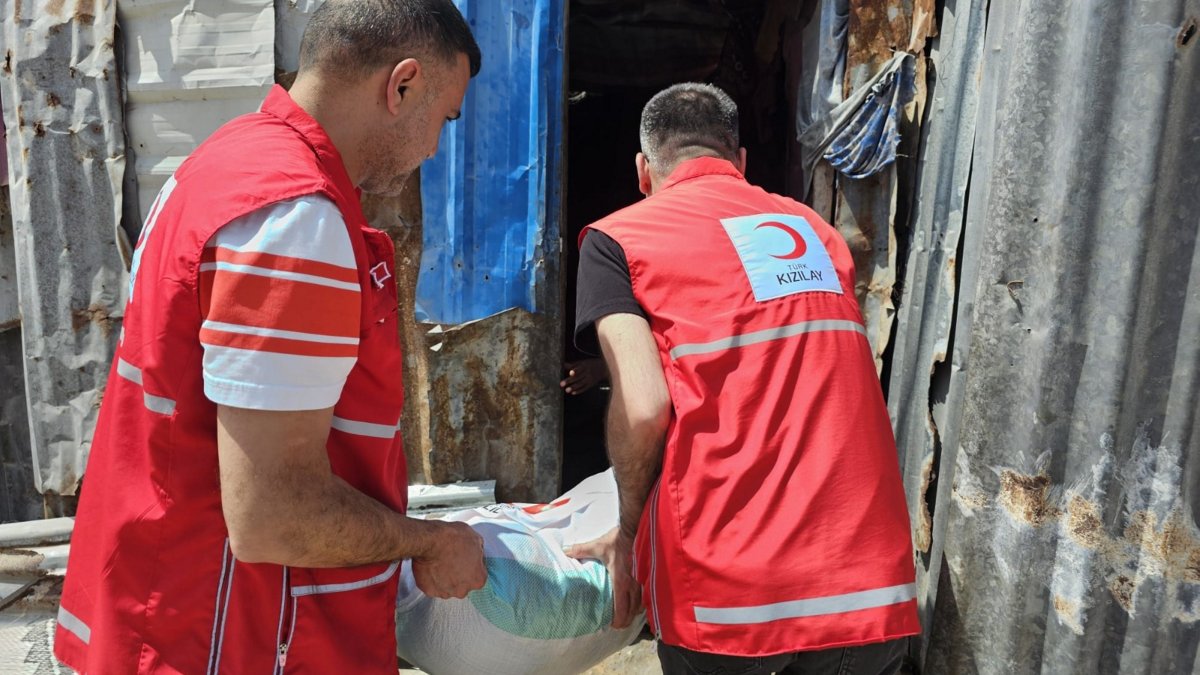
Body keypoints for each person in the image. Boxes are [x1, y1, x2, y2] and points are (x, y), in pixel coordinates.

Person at [53, 2, 486, 672]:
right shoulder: (293, 221)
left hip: (163, 616)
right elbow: (273, 513)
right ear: (400, 86)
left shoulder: (223, 162)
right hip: (231, 638)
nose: (435, 147)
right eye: (444, 118)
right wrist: (427, 541)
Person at [566, 83, 920, 674]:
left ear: (642, 171)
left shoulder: (619, 239)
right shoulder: (818, 234)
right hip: (871, 590)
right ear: (742, 162)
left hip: (733, 604)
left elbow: (645, 405)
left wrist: (628, 531)